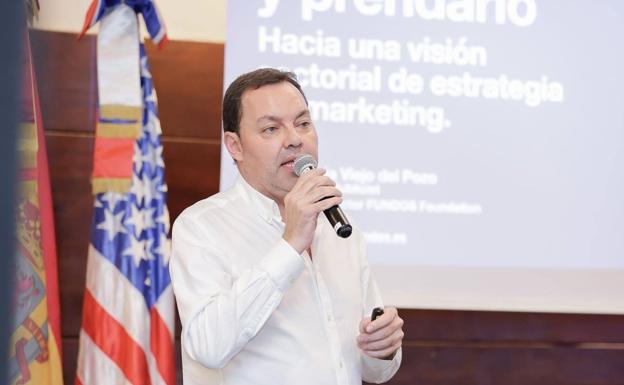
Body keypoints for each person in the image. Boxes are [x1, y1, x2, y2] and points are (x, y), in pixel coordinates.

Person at [170, 68, 403, 385]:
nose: (295, 139)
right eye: (270, 129)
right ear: (235, 146)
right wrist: (290, 244)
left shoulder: (341, 229)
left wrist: (382, 349)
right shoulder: (202, 227)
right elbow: (208, 347)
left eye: (303, 123)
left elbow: (372, 371)